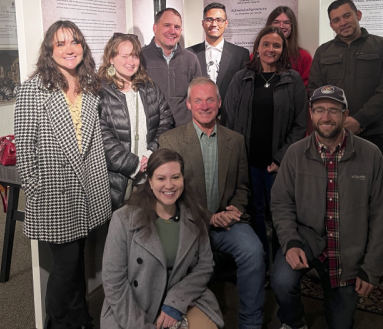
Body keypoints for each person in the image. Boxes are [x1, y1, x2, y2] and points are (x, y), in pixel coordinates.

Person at [14, 20, 111, 329]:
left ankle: (80, 318)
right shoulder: (34, 90)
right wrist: (36, 189)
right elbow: (24, 146)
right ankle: (56, 323)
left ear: (83, 47)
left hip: (88, 190)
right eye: (61, 44)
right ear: (50, 50)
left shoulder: (90, 84)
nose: (69, 49)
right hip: (55, 193)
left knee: (77, 260)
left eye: (75, 42)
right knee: (65, 267)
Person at [270, 85, 383, 329]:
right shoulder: (295, 154)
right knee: (281, 281)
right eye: (320, 110)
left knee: (341, 324)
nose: (326, 117)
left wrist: (371, 269)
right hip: (307, 237)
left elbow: (381, 216)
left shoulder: (370, 155)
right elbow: (281, 202)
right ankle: (294, 322)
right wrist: (290, 242)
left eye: (334, 110)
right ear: (311, 113)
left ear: (345, 114)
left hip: (348, 248)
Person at [160, 77, 265, 329]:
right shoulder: (170, 141)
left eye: (210, 100)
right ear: (188, 104)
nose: (204, 106)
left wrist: (235, 210)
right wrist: (210, 217)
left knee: (254, 252)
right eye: (198, 100)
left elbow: (242, 187)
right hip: (188, 223)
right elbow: (172, 193)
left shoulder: (235, 140)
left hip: (227, 222)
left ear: (219, 103)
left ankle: (251, 322)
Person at [101, 148, 224, 329]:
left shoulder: (195, 216)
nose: (169, 185)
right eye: (161, 178)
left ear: (183, 179)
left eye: (175, 177)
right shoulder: (123, 219)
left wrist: (175, 301)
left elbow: (205, 266)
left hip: (183, 298)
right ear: (150, 181)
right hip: (132, 306)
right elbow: (113, 282)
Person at [222, 25, 307, 268]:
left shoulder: (293, 80)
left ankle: (282, 263)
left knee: (281, 214)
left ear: (283, 49)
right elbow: (228, 119)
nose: (271, 49)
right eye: (266, 44)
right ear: (257, 48)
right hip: (247, 162)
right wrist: (236, 159)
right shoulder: (241, 78)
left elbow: (300, 125)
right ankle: (260, 263)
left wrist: (281, 158)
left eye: (276, 45)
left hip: (278, 164)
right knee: (254, 213)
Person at [308, 0, 383, 154]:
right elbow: (315, 89)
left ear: (358, 15)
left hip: (371, 132)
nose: (343, 22)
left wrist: (360, 120)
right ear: (331, 25)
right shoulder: (323, 51)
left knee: (367, 177)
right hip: (331, 132)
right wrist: (332, 119)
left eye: (347, 16)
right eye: (336, 20)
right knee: (330, 178)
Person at [98, 33, 174, 209]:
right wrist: (134, 165)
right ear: (111, 58)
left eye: (134, 56)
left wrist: (151, 152)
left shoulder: (149, 87)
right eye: (124, 56)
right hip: (117, 182)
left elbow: (166, 120)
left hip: (150, 178)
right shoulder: (100, 91)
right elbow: (102, 137)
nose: (130, 62)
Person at [141, 8, 202, 127]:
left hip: (183, 132)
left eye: (177, 27)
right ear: (155, 28)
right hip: (151, 131)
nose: (172, 31)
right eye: (167, 25)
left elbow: (198, 98)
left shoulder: (191, 59)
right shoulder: (140, 58)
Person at [188, 2, 250, 101]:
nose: (214, 24)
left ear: (226, 24)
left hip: (229, 114)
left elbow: (245, 91)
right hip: (198, 113)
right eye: (209, 20)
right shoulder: (189, 53)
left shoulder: (241, 54)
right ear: (203, 23)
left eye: (219, 20)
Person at [265, 6, 313, 87]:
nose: (281, 26)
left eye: (286, 22)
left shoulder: (304, 57)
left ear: (292, 26)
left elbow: (306, 89)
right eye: (276, 22)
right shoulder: (258, 55)